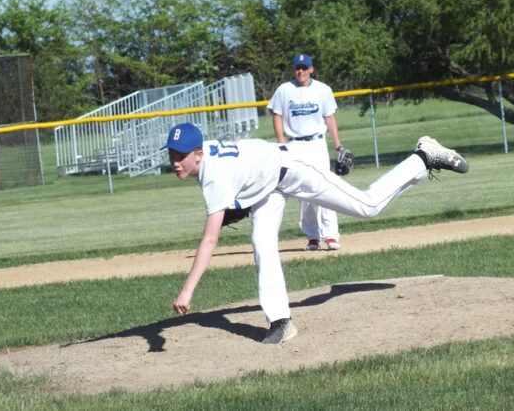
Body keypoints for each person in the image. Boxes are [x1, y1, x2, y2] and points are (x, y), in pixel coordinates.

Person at [164, 121, 468, 344]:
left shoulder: (213, 177)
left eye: (181, 155)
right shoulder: (207, 157)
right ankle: (281, 322)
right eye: (172, 155)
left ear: (198, 154)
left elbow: (210, 240)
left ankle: (423, 156)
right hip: (269, 185)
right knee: (261, 243)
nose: (175, 162)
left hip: (294, 169)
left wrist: (188, 290)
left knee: (368, 206)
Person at [268, 53, 342, 251]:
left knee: (325, 188)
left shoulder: (323, 90)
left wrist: (338, 146)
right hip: (295, 146)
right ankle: (312, 236)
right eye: (297, 67)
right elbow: (276, 115)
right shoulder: (284, 90)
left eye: (304, 67)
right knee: (303, 191)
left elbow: (330, 118)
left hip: (317, 144)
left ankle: (331, 235)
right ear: (294, 70)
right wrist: (281, 143)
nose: (300, 71)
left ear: (311, 69)